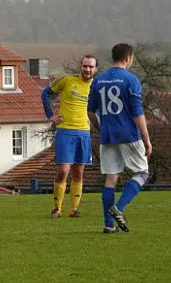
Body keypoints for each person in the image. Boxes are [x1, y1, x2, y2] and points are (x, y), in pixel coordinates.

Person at [87, 43, 152, 233]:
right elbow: (137, 112)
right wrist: (146, 139)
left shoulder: (98, 81)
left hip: (108, 135)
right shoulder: (131, 80)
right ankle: (119, 208)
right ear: (128, 58)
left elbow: (90, 111)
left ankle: (109, 225)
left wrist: (100, 129)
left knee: (111, 178)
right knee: (142, 173)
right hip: (128, 134)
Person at [41, 55, 99, 219]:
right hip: (65, 131)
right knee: (63, 171)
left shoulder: (97, 87)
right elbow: (46, 94)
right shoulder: (67, 80)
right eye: (85, 66)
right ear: (80, 67)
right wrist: (50, 115)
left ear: (96, 69)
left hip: (84, 132)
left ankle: (73, 210)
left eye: (91, 67)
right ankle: (57, 209)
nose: (87, 70)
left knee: (79, 172)